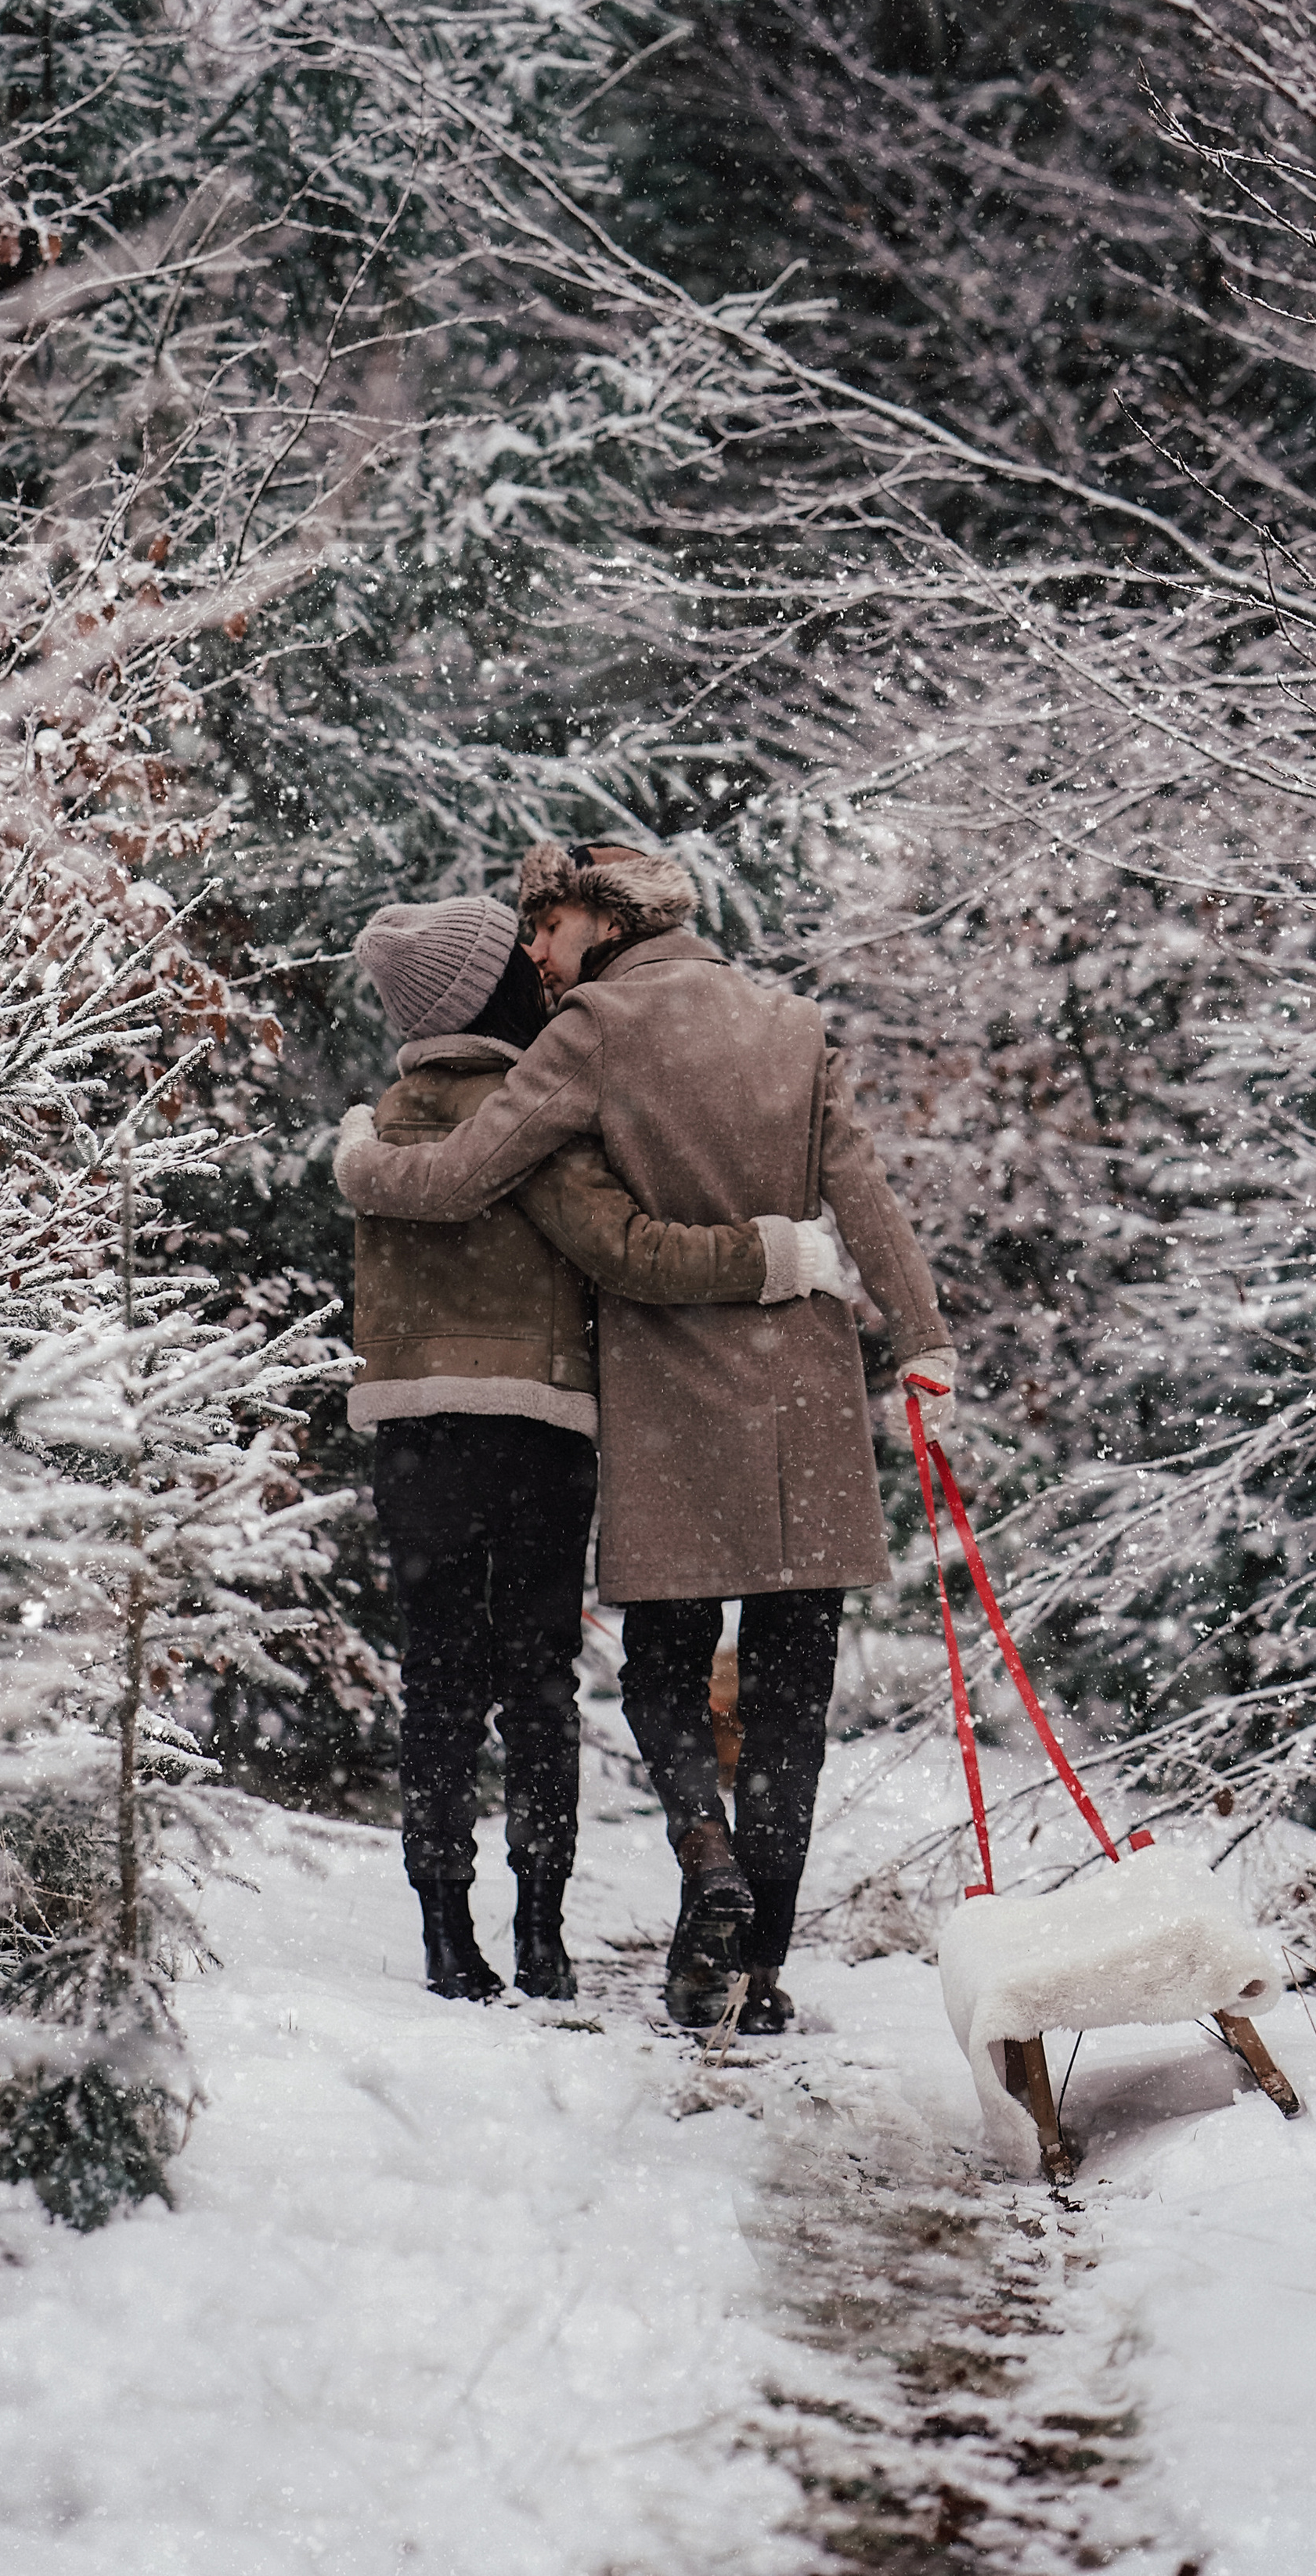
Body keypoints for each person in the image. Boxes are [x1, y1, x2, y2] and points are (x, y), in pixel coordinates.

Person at [337, 842, 955, 2031]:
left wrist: (364, 1160)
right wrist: (920, 1334)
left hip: (674, 1392)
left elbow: (462, 1175)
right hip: (811, 1395)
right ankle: (751, 1967)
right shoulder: (793, 1021)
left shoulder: (593, 1033)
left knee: (666, 1671)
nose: (535, 951)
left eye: (546, 925)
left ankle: (705, 1854)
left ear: (604, 921)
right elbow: (862, 1192)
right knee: (789, 1694)